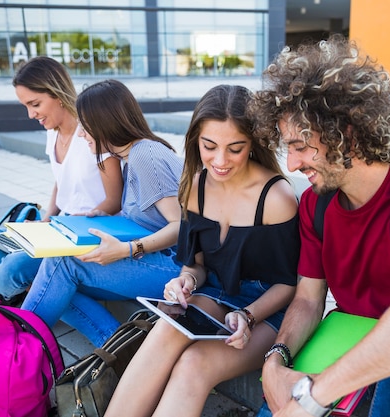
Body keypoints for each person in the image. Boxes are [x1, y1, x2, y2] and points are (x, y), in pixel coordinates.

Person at [249, 35, 390, 417]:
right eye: (286, 147)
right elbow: (308, 299)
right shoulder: (314, 205)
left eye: (301, 145)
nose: (291, 164)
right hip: (346, 339)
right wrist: (277, 360)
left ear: (347, 132)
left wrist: (316, 394)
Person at [104, 84, 300, 417]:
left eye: (235, 149)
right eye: (209, 146)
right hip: (216, 294)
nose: (220, 161)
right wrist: (185, 283)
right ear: (196, 140)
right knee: (167, 326)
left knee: (194, 364)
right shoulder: (195, 187)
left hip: (265, 311)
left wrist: (248, 315)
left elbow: (290, 285)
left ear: (253, 143)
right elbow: (195, 267)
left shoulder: (276, 198)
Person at [21, 79, 184, 347]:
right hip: (153, 259)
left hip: (174, 268)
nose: (82, 134)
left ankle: (18, 348)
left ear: (105, 122)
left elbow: (180, 226)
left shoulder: (145, 155)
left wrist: (126, 250)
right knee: (56, 281)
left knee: (62, 262)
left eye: (86, 126)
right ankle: (117, 345)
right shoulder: (130, 157)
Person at [0, 56, 123, 304]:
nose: (30, 114)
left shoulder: (92, 132)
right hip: (56, 227)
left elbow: (115, 200)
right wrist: (46, 219)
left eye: (34, 104)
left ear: (57, 93)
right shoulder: (52, 132)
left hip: (83, 233)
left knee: (12, 267)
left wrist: (82, 219)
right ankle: (32, 284)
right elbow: (61, 181)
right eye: (25, 106)